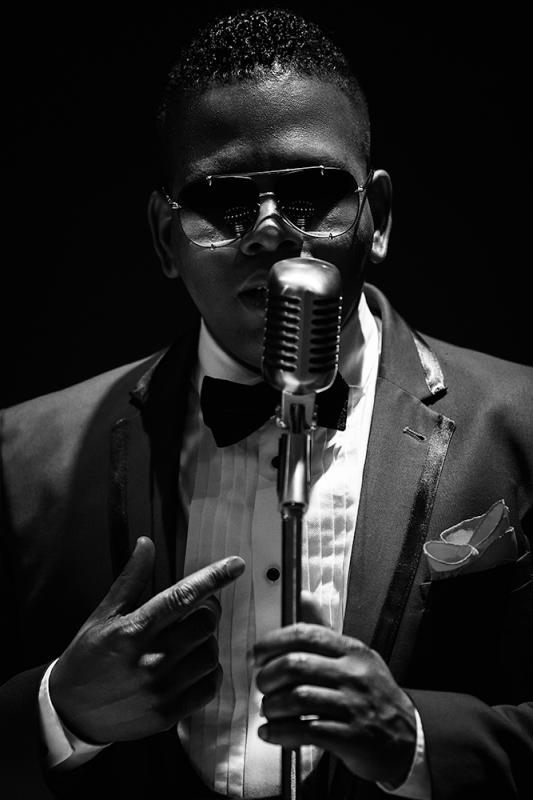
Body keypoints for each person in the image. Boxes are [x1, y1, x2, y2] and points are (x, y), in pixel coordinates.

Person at [1, 8, 532, 800]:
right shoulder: (20, 458)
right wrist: (57, 712)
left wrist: (420, 742)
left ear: (377, 219)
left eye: (312, 192)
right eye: (223, 202)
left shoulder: (520, 423)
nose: (270, 231)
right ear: (163, 237)